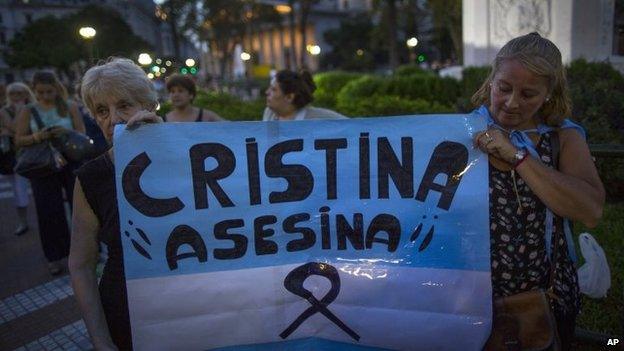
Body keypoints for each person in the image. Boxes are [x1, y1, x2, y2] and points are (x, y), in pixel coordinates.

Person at [471, 32, 605, 349]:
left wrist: (518, 157)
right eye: (504, 88)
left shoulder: (564, 138)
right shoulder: (465, 130)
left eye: (529, 94)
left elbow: (590, 211)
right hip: (472, 297)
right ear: (492, 80)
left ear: (548, 94)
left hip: (544, 297)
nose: (512, 102)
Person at [69, 58, 163, 351]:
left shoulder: (193, 158)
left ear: (148, 104)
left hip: (198, 308)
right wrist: (101, 341)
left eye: (124, 105)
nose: (114, 119)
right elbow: (81, 265)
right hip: (125, 312)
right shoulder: (91, 178)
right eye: (101, 110)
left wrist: (169, 142)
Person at [14, 71, 86, 275]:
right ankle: (54, 256)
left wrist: (66, 132)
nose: (45, 96)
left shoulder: (69, 106)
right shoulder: (28, 110)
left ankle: (88, 250)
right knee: (48, 211)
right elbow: (18, 140)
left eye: (49, 92)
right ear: (34, 91)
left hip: (69, 161)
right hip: (43, 165)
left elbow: (82, 133)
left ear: (57, 89)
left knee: (80, 208)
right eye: (41, 92)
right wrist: (38, 136)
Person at [0, 82, 36, 236]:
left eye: (20, 93)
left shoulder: (35, 108)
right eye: (13, 94)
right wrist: (21, 111)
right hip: (13, 157)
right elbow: (15, 128)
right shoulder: (5, 110)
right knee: (18, 190)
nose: (16, 97)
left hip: (34, 154)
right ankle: (23, 222)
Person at [262, 69, 347, 121]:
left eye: (273, 89)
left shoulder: (319, 117)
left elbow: (353, 127)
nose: (267, 92)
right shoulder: (270, 113)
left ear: (289, 97)